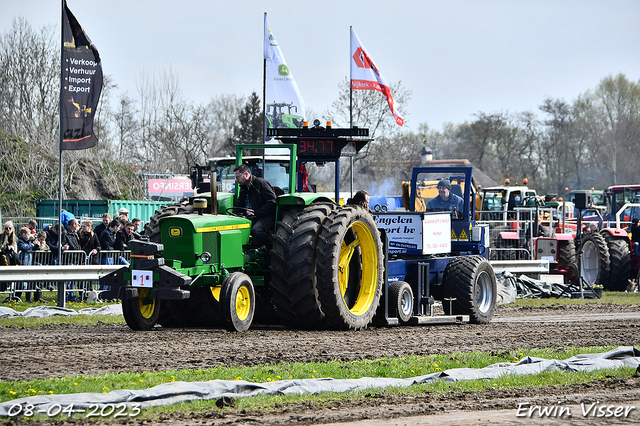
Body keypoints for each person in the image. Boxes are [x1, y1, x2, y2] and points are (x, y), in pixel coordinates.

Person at [233, 163, 277, 249]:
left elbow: (272, 200)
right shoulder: (243, 188)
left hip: (264, 217)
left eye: (237, 177)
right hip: (250, 216)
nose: (236, 180)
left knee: (255, 231)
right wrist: (232, 216)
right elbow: (239, 203)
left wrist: (257, 212)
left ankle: (271, 248)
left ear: (246, 174)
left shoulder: (260, 183)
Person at [16, 227, 37, 302]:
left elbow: (34, 248)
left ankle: (28, 298)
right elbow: (24, 248)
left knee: (29, 282)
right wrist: (32, 245)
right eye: (28, 234)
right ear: (23, 234)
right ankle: (17, 297)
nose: (29, 235)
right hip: (22, 264)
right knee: (21, 283)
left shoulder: (29, 241)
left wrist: (36, 244)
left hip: (29, 264)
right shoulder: (20, 241)